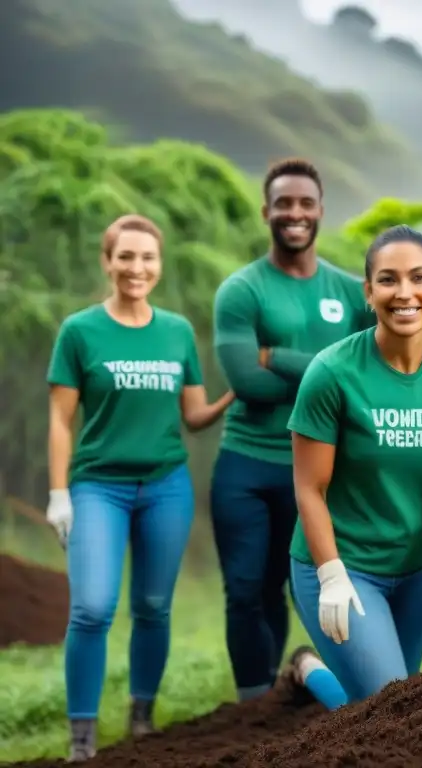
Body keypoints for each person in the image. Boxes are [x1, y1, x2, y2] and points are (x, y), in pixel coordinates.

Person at [45, 214, 234, 762]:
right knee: (93, 608)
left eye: (147, 257)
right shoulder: (80, 331)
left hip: (164, 487)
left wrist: (236, 396)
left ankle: (141, 717)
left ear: (160, 264)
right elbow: (60, 419)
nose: (136, 268)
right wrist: (59, 494)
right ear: (108, 262)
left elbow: (193, 415)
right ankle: (82, 737)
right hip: (98, 488)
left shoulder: (176, 332)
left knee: (152, 604)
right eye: (125, 257)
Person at [285, 224, 422, 708]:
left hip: (421, 565)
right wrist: (331, 575)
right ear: (368, 292)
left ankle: (331, 675)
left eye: (418, 278)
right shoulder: (332, 372)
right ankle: (311, 672)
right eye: (388, 280)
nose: (404, 293)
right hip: (346, 566)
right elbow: (309, 491)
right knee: (392, 706)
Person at [210, 158, 373, 702]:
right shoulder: (242, 290)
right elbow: (248, 386)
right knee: (244, 589)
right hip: (247, 463)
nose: (295, 213)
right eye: (284, 204)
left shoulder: (351, 293)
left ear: (321, 211)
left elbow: (366, 375)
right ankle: (253, 699)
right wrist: (328, 370)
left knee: (290, 589)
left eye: (305, 203)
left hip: (319, 470)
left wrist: (274, 354)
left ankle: (282, 689)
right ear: (267, 212)